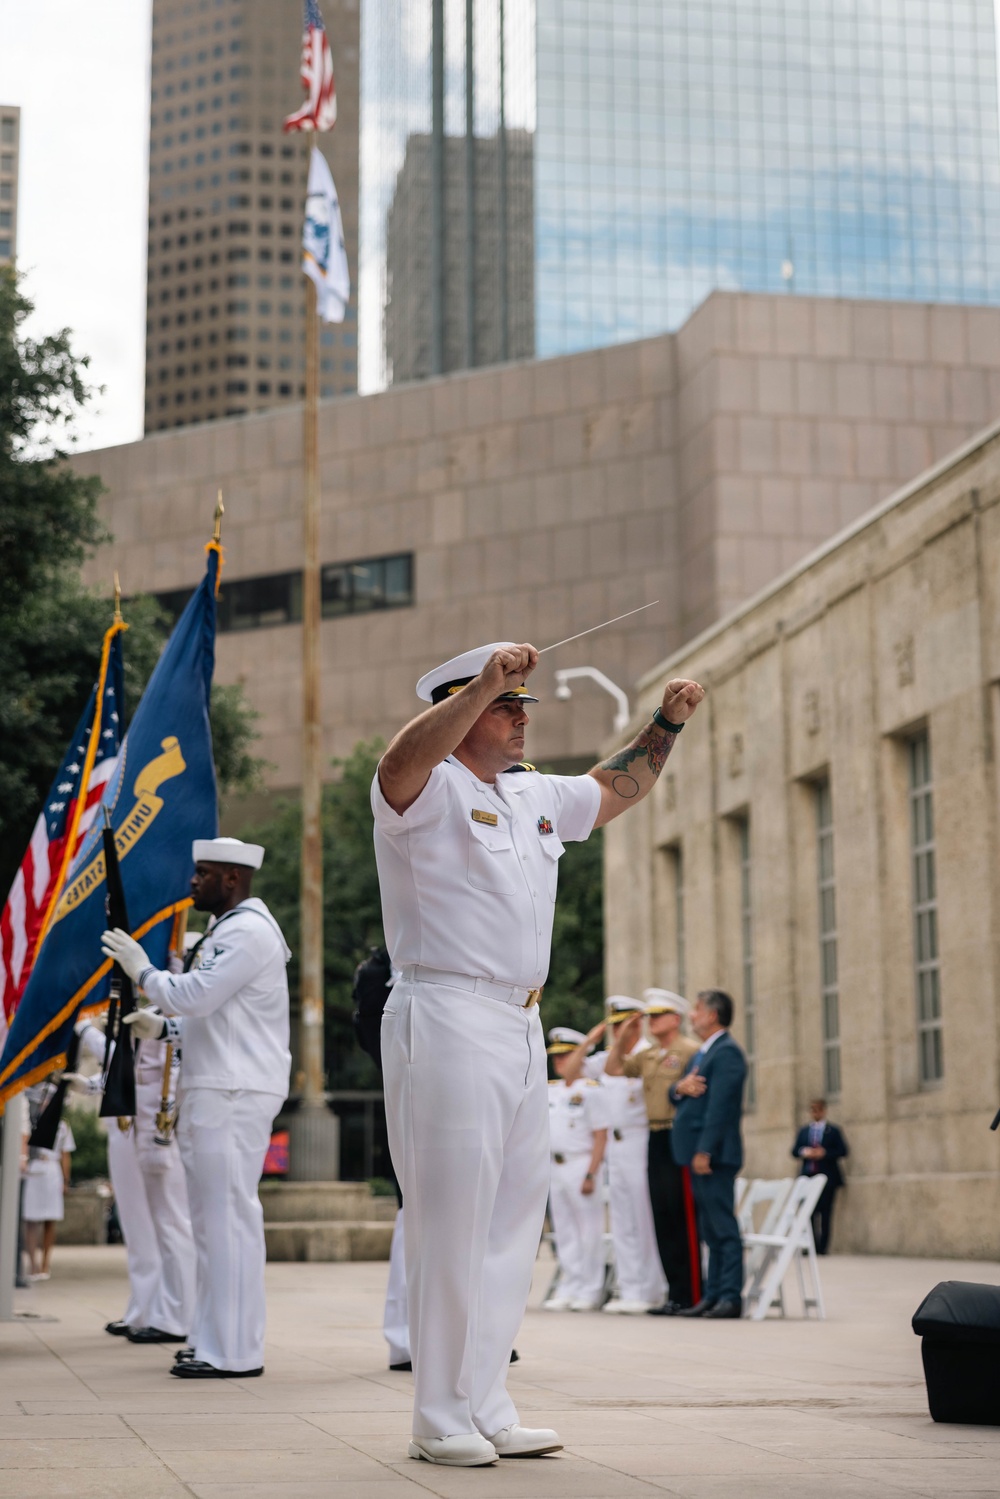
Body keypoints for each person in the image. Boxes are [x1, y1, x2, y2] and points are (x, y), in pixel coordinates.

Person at [372, 638, 704, 1466]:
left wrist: (665, 721)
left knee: (515, 1222)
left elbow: (612, 787)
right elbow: (397, 760)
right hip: (444, 1007)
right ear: (467, 707)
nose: (522, 719)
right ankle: (436, 1413)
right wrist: (481, 680)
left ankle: (486, 1400)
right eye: (507, 705)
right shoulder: (425, 786)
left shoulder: (531, 796)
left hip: (520, 1018)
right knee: (450, 1217)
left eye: (523, 705)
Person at [102, 836, 291, 1380]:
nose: (193, 882)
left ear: (231, 879)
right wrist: (163, 1027)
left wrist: (143, 972)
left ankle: (233, 1350)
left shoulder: (249, 933)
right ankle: (213, 1339)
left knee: (227, 1220)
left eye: (203, 874)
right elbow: (215, 1018)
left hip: (232, 1091)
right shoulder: (230, 931)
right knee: (211, 1222)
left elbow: (196, 995)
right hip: (218, 1085)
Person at [69, 1007, 195, 1344]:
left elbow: (172, 1068)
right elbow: (126, 1064)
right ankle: (145, 1306)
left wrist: (85, 1031)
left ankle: (178, 1313)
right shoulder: (138, 1003)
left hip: (156, 1124)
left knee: (170, 1221)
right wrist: (92, 1084)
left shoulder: (171, 1005)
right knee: (136, 1221)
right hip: (127, 1117)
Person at [563, 999, 667, 1314]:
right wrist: (590, 1039)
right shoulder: (608, 1057)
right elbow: (571, 1071)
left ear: (635, 1024)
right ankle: (630, 1286)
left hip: (638, 1140)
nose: (614, 1032)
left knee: (642, 1215)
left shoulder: (647, 1053)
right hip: (614, 1145)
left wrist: (626, 1034)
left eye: (619, 1025)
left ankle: (651, 1288)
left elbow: (620, 1070)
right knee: (622, 1219)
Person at [603, 990, 701, 1314]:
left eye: (657, 1016)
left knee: (680, 1215)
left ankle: (691, 1293)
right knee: (661, 1216)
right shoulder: (648, 1056)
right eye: (648, 1016)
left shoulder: (690, 1051)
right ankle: (674, 1293)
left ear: (676, 1019)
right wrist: (621, 1036)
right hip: (653, 1137)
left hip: (678, 1134)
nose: (650, 1021)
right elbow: (613, 1068)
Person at [671, 990, 748, 1319]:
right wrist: (678, 1088)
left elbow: (720, 1109)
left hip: (712, 1155)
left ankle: (730, 1297)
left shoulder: (727, 1053)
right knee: (709, 1230)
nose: (692, 1015)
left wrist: (705, 1150)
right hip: (695, 1153)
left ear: (713, 1015)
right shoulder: (704, 1052)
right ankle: (713, 1294)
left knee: (722, 1228)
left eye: (697, 1010)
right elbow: (681, 1095)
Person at [543, 1027, 609, 1312]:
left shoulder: (591, 1091)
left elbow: (601, 1135)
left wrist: (591, 1173)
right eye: (556, 1057)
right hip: (554, 1165)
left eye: (565, 1056)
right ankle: (570, 1284)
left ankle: (591, 1289)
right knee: (565, 1231)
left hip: (581, 1164)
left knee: (589, 1231)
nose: (559, 1063)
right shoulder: (551, 1090)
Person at [21, 1102, 74, 1280]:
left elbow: (65, 1154)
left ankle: (45, 1264)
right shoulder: (33, 1120)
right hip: (34, 1168)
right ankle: (32, 1264)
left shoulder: (62, 1126)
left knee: (50, 1219)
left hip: (52, 1170)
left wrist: (66, 1180)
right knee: (31, 1219)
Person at [792, 1098, 849, 1254]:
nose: (815, 1112)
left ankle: (822, 1248)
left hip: (827, 1178)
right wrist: (806, 1152)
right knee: (808, 1213)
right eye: (812, 1109)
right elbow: (794, 1151)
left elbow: (843, 1151)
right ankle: (809, 1245)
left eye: (818, 1109)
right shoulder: (804, 1131)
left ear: (824, 1110)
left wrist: (824, 1153)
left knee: (825, 1213)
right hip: (808, 1176)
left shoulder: (833, 1131)